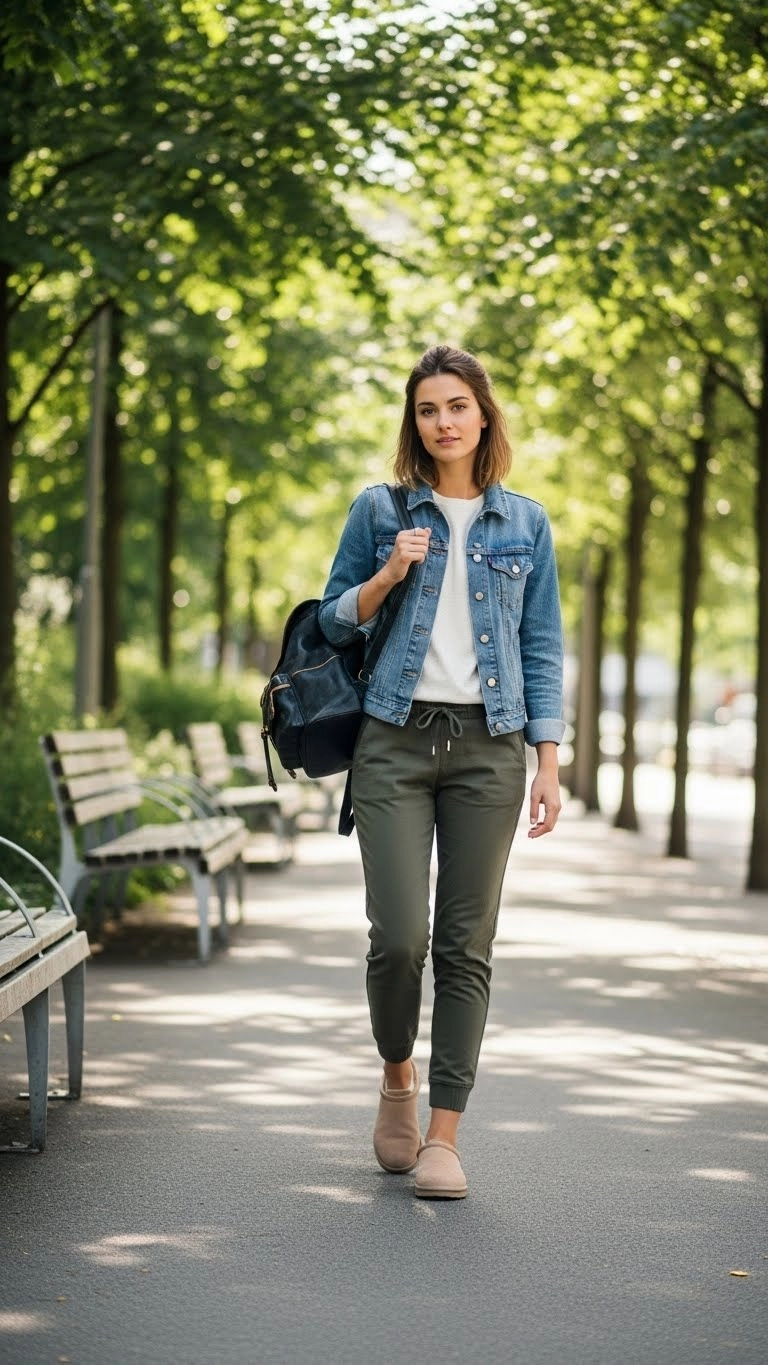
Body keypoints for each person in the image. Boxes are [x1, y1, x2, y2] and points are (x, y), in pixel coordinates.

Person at [318, 344, 564, 1199]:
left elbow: (540, 647)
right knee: (398, 940)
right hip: (393, 738)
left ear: (484, 414)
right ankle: (396, 1080)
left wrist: (548, 761)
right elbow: (332, 620)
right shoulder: (379, 509)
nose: (445, 421)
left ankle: (445, 1136)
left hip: (490, 748)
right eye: (428, 409)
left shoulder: (526, 523)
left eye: (458, 405)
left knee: (466, 944)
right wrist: (390, 570)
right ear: (414, 422)